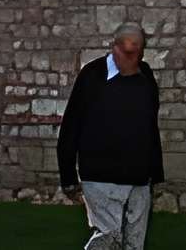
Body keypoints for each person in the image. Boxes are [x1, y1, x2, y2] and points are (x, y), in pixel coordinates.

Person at [57, 21, 164, 249]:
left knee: (134, 244)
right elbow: (71, 126)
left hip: (138, 178)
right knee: (108, 238)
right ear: (113, 47)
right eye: (126, 53)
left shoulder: (145, 76)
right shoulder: (92, 76)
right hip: (100, 176)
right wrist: (68, 178)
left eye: (136, 53)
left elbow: (149, 123)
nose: (132, 59)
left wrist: (154, 172)